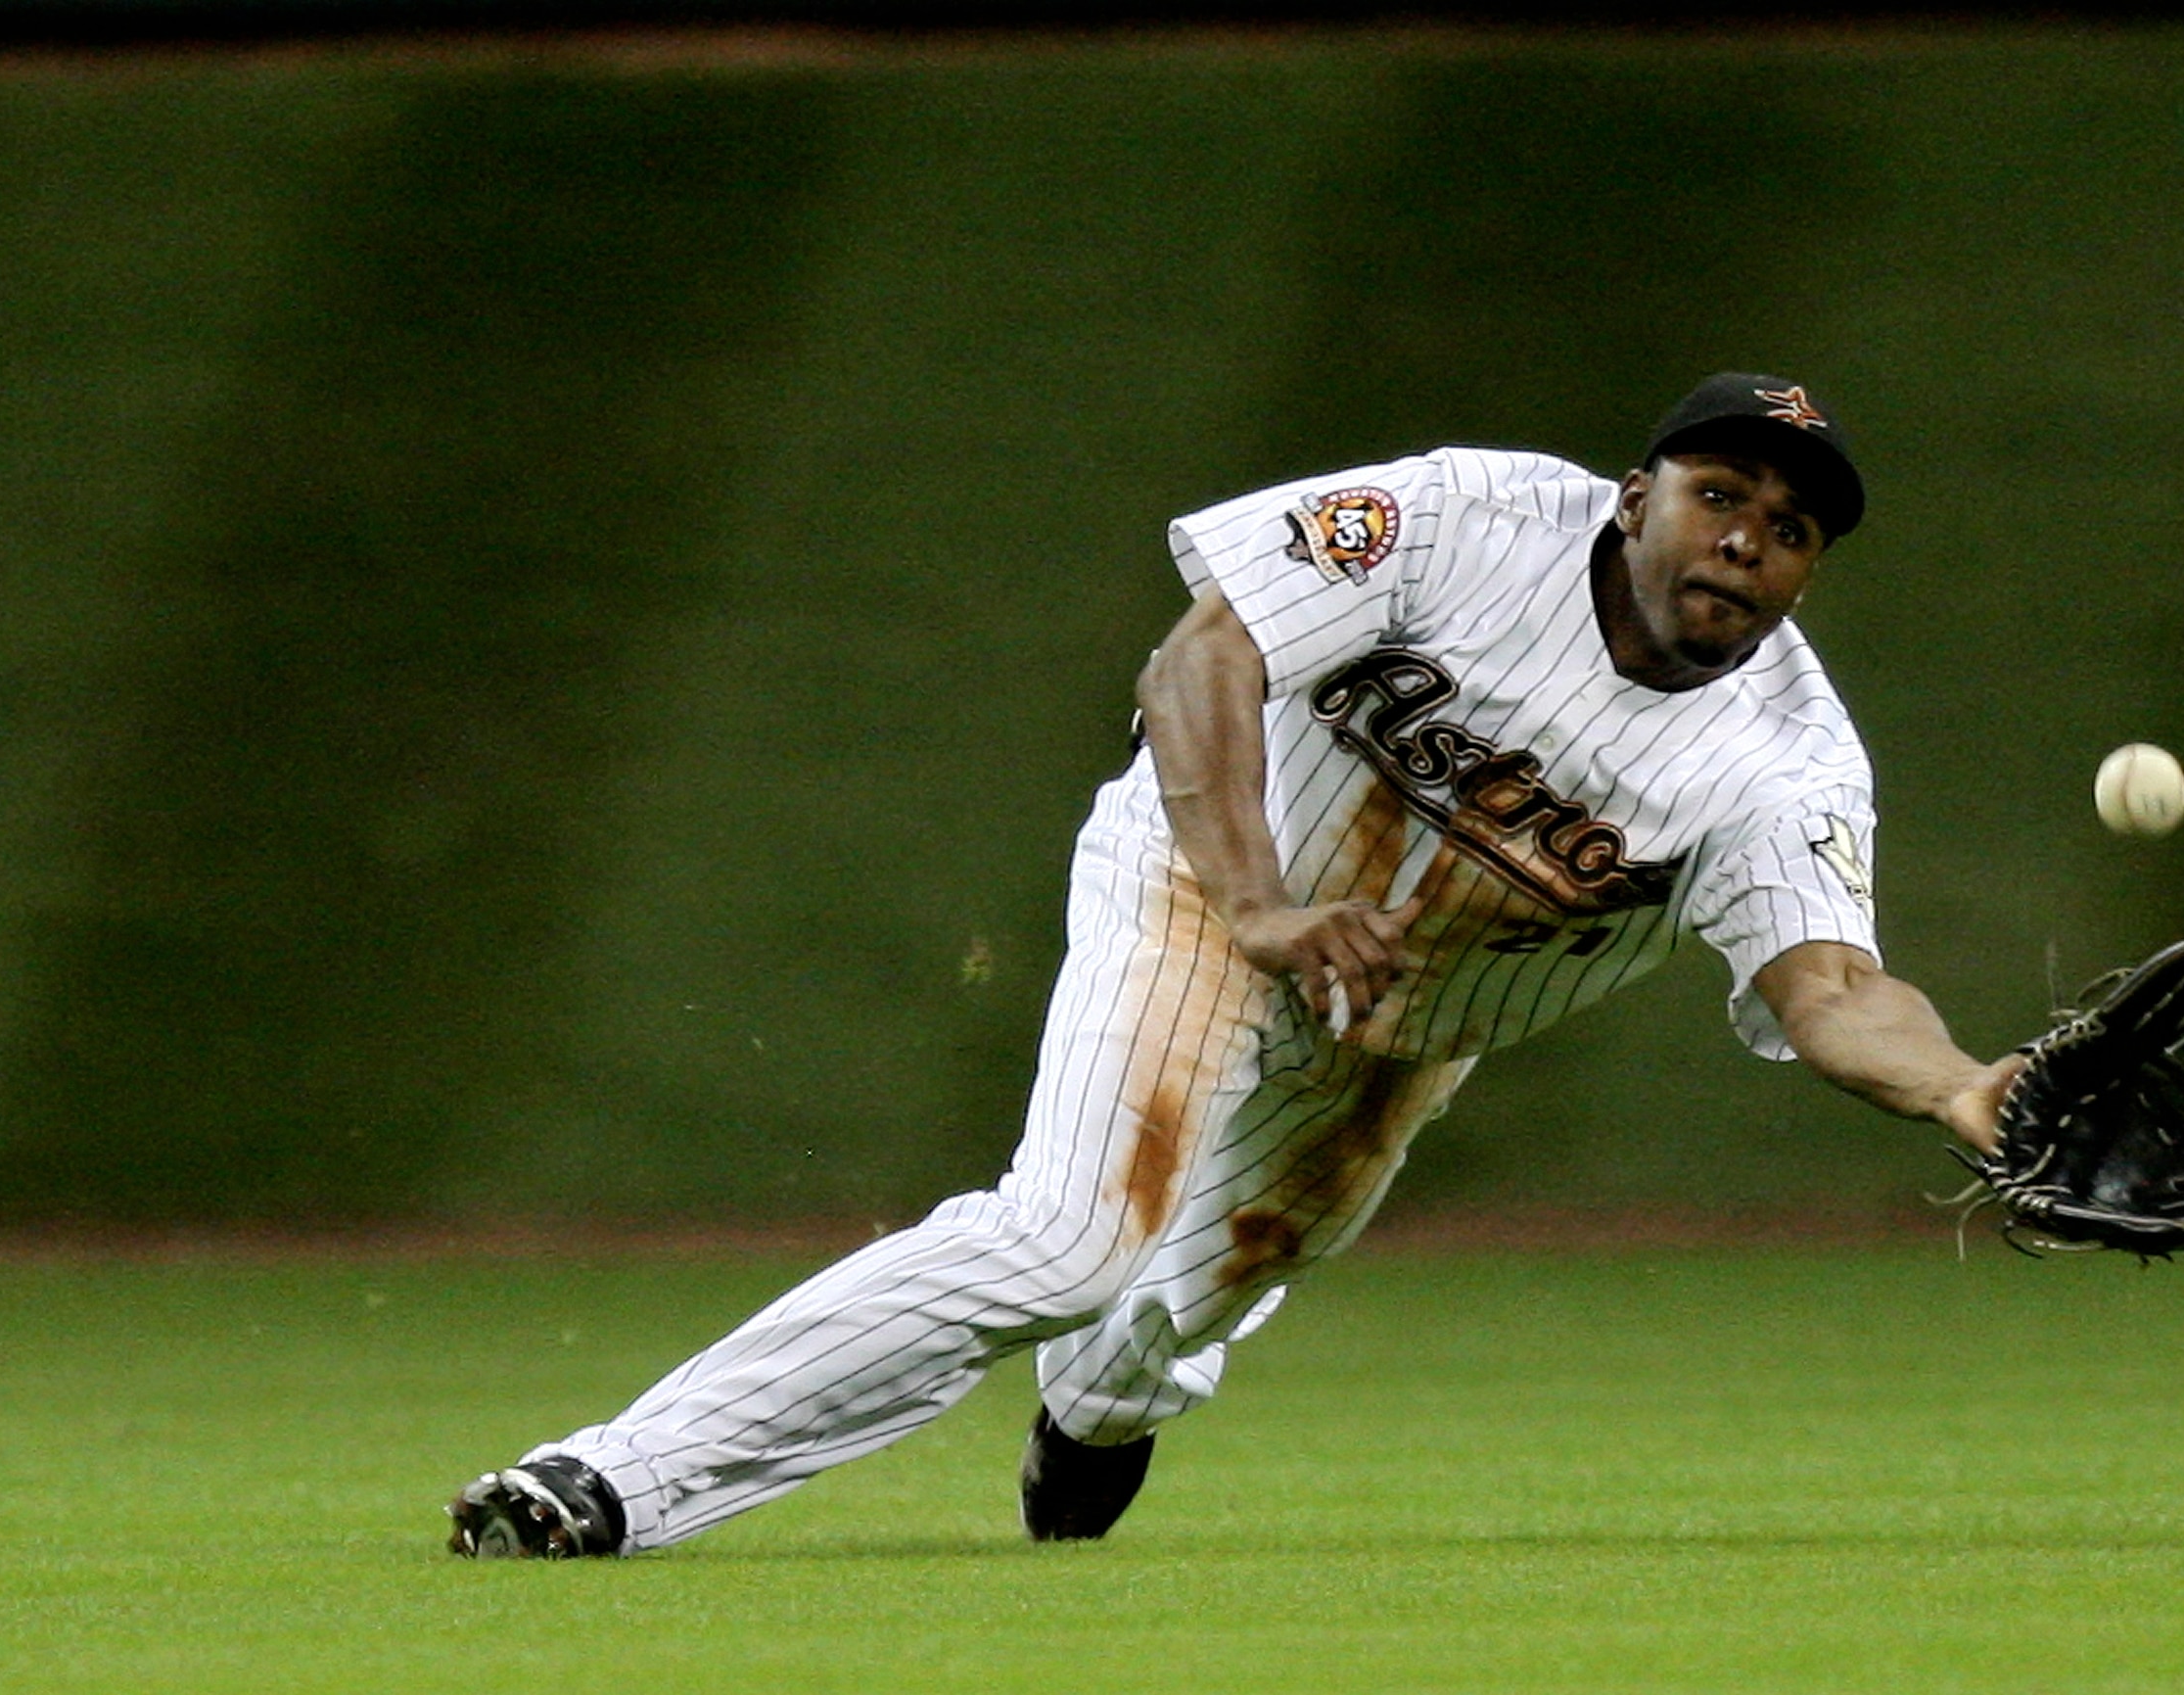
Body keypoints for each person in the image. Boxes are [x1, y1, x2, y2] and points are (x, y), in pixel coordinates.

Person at [448, 373, 2023, 1559]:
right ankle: (610, 1479)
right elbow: (1204, 651)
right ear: (1636, 496)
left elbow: (1831, 990)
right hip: (1208, 892)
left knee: (1168, 1315)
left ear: (1809, 569)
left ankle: (1093, 1409)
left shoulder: (1788, 760)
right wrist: (1261, 897)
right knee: (1071, 1236)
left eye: (1790, 526)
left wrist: (1961, 1087)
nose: (1746, 538)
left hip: (1403, 1032)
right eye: (1720, 492)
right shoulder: (1464, 518)